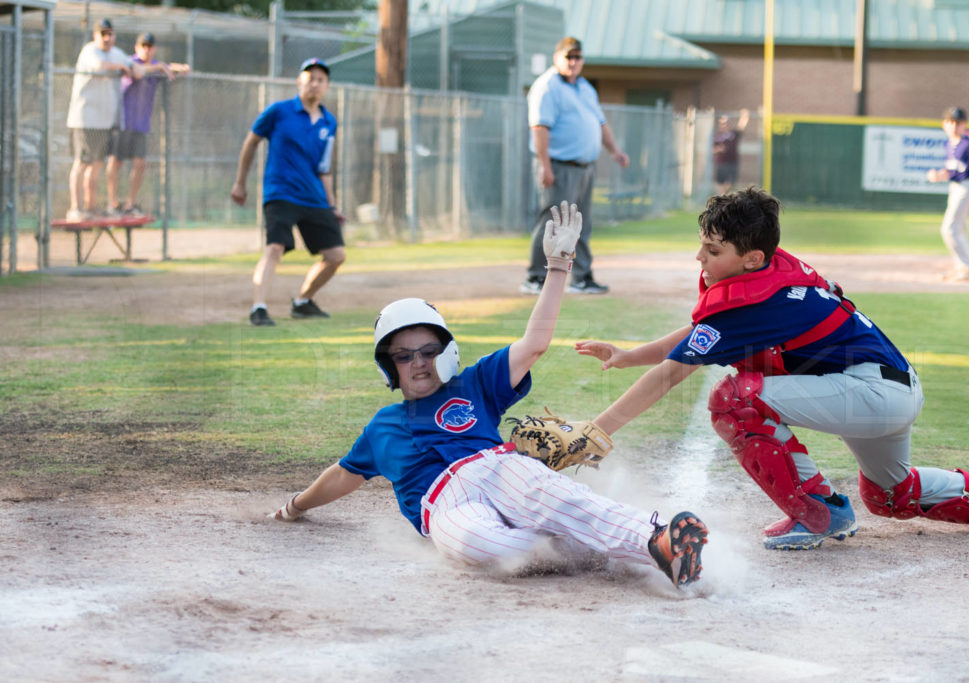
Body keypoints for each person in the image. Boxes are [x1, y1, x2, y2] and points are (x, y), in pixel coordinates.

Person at [269, 202, 709, 589]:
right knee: (480, 543)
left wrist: (557, 267)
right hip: (441, 504)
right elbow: (343, 474)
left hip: (495, 468)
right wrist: (295, 506)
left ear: (448, 351)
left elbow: (533, 344)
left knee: (550, 494)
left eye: (428, 351)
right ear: (390, 368)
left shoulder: (474, 383)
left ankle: (659, 541)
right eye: (404, 356)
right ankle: (588, 549)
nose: (418, 362)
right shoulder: (382, 427)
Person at [576, 187, 969, 551]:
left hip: (869, 393)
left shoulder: (756, 304)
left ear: (752, 258)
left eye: (713, 249)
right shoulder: (769, 273)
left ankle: (820, 512)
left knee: (735, 402)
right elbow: (701, 332)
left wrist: (594, 432)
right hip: (886, 387)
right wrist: (629, 355)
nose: (700, 258)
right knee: (891, 495)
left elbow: (672, 373)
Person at [231, 58, 346, 327]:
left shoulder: (329, 122)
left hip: (314, 197)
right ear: (299, 82)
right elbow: (251, 143)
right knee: (274, 247)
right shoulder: (278, 111)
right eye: (310, 78)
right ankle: (258, 308)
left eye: (320, 79)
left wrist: (333, 205)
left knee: (336, 256)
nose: (315, 83)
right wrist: (240, 182)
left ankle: (303, 301)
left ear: (326, 86)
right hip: (281, 193)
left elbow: (325, 169)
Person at [520, 37, 630, 297]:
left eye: (577, 57)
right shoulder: (547, 86)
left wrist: (615, 151)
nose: (573, 62)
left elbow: (600, 123)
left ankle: (581, 277)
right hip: (559, 166)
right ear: (557, 57)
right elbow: (539, 128)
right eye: (568, 57)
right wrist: (545, 166)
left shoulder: (584, 88)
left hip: (585, 167)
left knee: (581, 224)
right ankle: (536, 276)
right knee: (553, 222)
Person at [105, 32, 191, 217]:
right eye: (143, 46)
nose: (146, 49)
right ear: (137, 47)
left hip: (140, 124)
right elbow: (139, 72)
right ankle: (112, 203)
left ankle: (130, 203)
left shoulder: (156, 65)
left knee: (140, 163)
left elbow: (171, 68)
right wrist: (160, 67)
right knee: (116, 161)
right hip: (122, 121)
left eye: (150, 46)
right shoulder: (130, 61)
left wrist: (181, 67)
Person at [65, 18, 142, 221]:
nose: (107, 38)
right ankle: (75, 208)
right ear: (95, 35)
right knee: (81, 164)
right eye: (103, 34)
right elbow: (99, 66)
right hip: (85, 119)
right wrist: (121, 67)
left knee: (97, 165)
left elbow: (134, 66)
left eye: (110, 34)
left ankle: (90, 208)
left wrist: (150, 68)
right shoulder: (90, 51)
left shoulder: (117, 53)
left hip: (105, 122)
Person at [926, 107, 969, 282]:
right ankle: (962, 267)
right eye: (951, 122)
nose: (954, 125)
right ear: (944, 125)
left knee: (949, 228)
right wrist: (937, 176)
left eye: (958, 122)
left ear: (964, 125)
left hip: (966, 188)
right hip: (955, 188)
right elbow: (951, 171)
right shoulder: (949, 145)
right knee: (959, 229)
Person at [712, 108, 750, 195]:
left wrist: (744, 116)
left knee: (731, 183)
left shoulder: (733, 133)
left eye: (725, 123)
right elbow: (712, 150)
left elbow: (741, 126)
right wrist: (719, 149)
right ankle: (721, 199)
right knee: (720, 183)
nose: (723, 125)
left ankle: (726, 196)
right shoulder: (717, 136)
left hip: (732, 162)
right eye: (722, 123)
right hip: (721, 163)